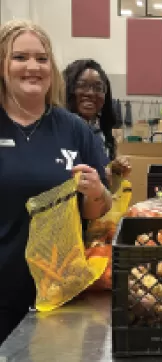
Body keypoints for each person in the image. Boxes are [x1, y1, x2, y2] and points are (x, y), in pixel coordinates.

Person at [0, 20, 112, 345]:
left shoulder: (75, 129)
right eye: (20, 57)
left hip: (60, 292)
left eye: (42, 58)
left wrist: (95, 191)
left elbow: (98, 209)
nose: (33, 67)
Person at [63, 58, 116, 161]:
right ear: (68, 89)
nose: (90, 93)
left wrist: (115, 172)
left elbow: (103, 172)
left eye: (98, 88)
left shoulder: (102, 135)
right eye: (82, 85)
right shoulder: (58, 131)